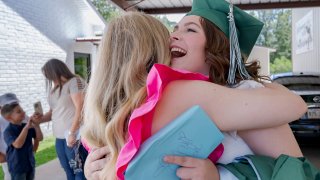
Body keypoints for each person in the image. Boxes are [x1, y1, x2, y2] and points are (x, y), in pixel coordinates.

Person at [81, 12, 309, 180]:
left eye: (189, 29)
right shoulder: (174, 95)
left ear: (216, 47)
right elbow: (294, 105)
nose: (174, 37)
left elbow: (296, 172)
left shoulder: (244, 92)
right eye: (173, 31)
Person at [34, 59, 87, 180]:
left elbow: (81, 107)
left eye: (49, 75)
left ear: (55, 71)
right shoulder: (54, 90)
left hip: (73, 137)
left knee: (78, 171)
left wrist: (72, 133)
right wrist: (39, 120)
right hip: (60, 138)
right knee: (68, 170)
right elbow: (53, 113)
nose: (49, 78)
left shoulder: (74, 82)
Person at [0, 93, 43, 180]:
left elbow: (39, 138)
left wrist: (36, 125)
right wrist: (1, 157)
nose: (23, 112)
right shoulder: (8, 130)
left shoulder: (24, 121)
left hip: (28, 162)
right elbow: (17, 145)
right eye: (19, 111)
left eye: (22, 110)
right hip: (14, 164)